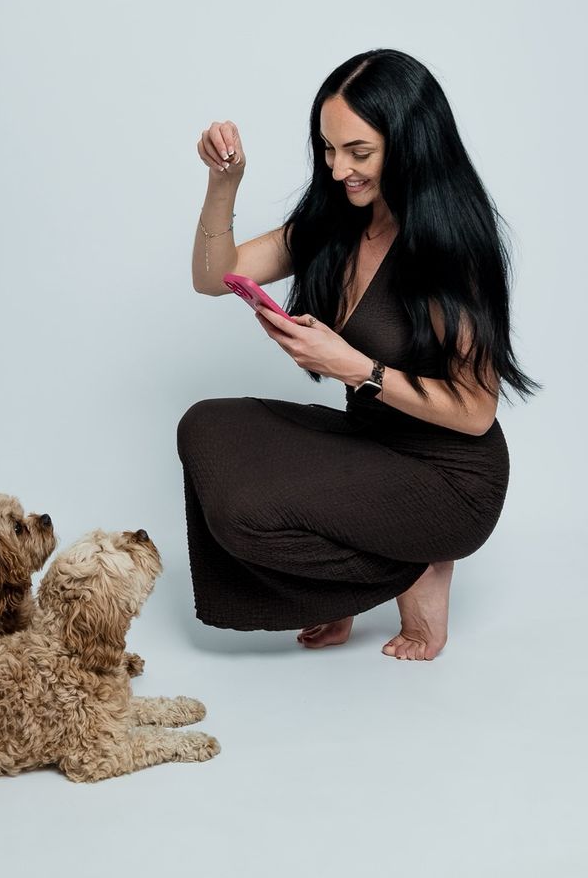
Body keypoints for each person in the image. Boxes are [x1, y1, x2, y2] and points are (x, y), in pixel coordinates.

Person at [176, 48, 540, 661]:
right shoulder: (339, 219)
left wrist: (353, 366)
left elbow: (476, 413)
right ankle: (343, 588)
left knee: (245, 512)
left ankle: (414, 565)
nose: (339, 167)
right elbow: (216, 276)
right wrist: (223, 184)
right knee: (207, 426)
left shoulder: (453, 247)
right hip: (371, 444)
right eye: (328, 148)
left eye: (358, 152)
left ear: (409, 144)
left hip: (448, 477)